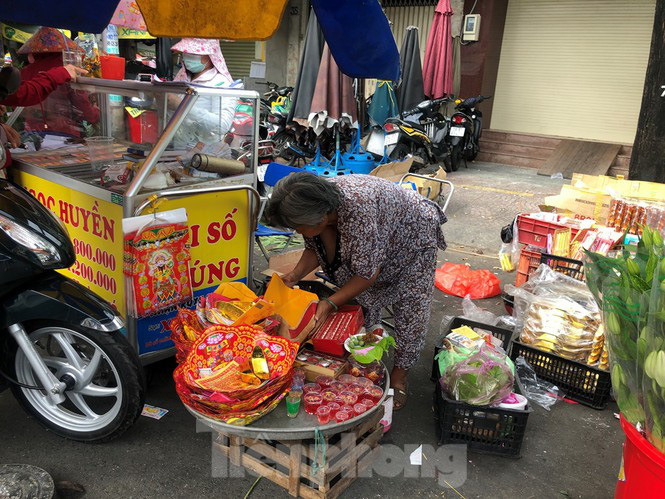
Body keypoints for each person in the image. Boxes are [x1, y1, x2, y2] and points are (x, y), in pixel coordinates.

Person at [265, 173, 447, 410]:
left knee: (411, 307)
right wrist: (294, 276)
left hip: (411, 237)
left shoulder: (358, 212)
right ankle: (367, 357)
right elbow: (315, 248)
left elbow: (367, 274)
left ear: (321, 219)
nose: (298, 233)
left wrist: (330, 303)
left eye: (298, 227)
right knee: (360, 296)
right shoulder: (318, 206)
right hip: (377, 234)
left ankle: (401, 373)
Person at [2, 27, 97, 138]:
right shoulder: (68, 71)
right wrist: (96, 114)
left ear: (33, 53)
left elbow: (16, 101)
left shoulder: (24, 72)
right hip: (65, 133)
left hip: (32, 134)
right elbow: (84, 108)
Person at [170, 38, 241, 149]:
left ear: (210, 56)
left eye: (193, 53)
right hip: (177, 149)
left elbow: (222, 125)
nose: (187, 55)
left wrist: (182, 106)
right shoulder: (181, 77)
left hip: (204, 155)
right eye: (186, 52)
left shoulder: (221, 84)